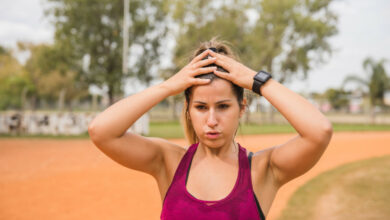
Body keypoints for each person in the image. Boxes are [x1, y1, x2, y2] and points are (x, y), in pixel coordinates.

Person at [88, 38, 333, 220]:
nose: (212, 119)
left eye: (223, 106)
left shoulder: (263, 169)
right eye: (201, 107)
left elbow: (319, 131)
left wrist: (256, 80)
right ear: (188, 109)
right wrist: (169, 86)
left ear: (241, 108)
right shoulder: (168, 162)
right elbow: (101, 130)